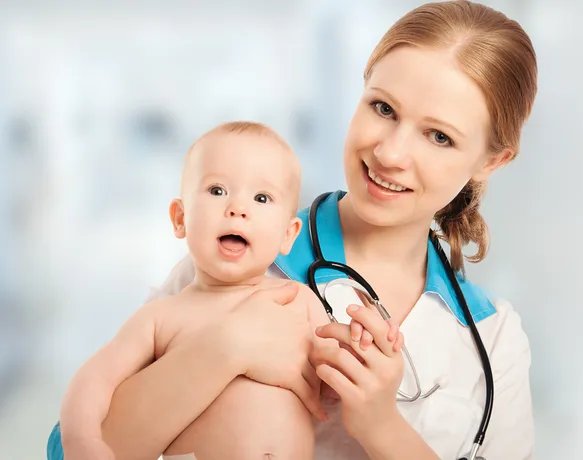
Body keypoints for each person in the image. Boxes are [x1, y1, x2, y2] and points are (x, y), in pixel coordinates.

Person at [47, 1, 538, 459]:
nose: (389, 153)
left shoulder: (494, 339)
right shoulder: (241, 255)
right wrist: (227, 347)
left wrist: (380, 425)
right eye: (383, 108)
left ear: (491, 161)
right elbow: (65, 450)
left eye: (439, 137)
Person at [58, 121, 365, 460]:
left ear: (287, 235)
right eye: (217, 190)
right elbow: (95, 379)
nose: (237, 208)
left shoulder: (299, 302)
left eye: (262, 198)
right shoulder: (162, 317)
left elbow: (333, 383)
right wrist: (82, 440)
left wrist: (359, 348)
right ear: (180, 218)